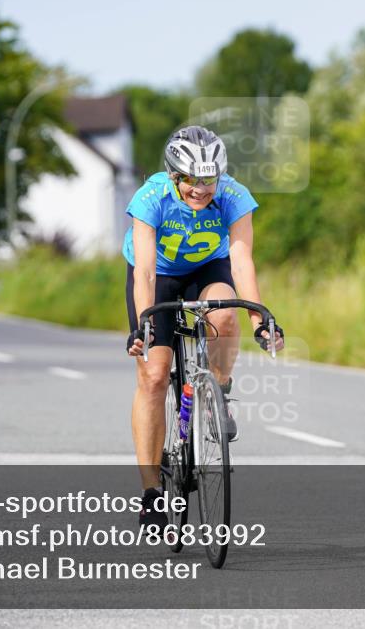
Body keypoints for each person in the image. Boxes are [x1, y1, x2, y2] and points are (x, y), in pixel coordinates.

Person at [123, 126, 284, 528]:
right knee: (155, 376)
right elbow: (143, 272)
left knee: (224, 314)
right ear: (174, 176)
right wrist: (144, 326)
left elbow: (242, 261)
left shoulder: (233, 196)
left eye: (208, 180)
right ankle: (151, 493)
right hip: (158, 276)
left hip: (206, 268)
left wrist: (258, 318)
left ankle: (220, 391)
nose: (200, 189)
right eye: (191, 180)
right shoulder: (150, 198)